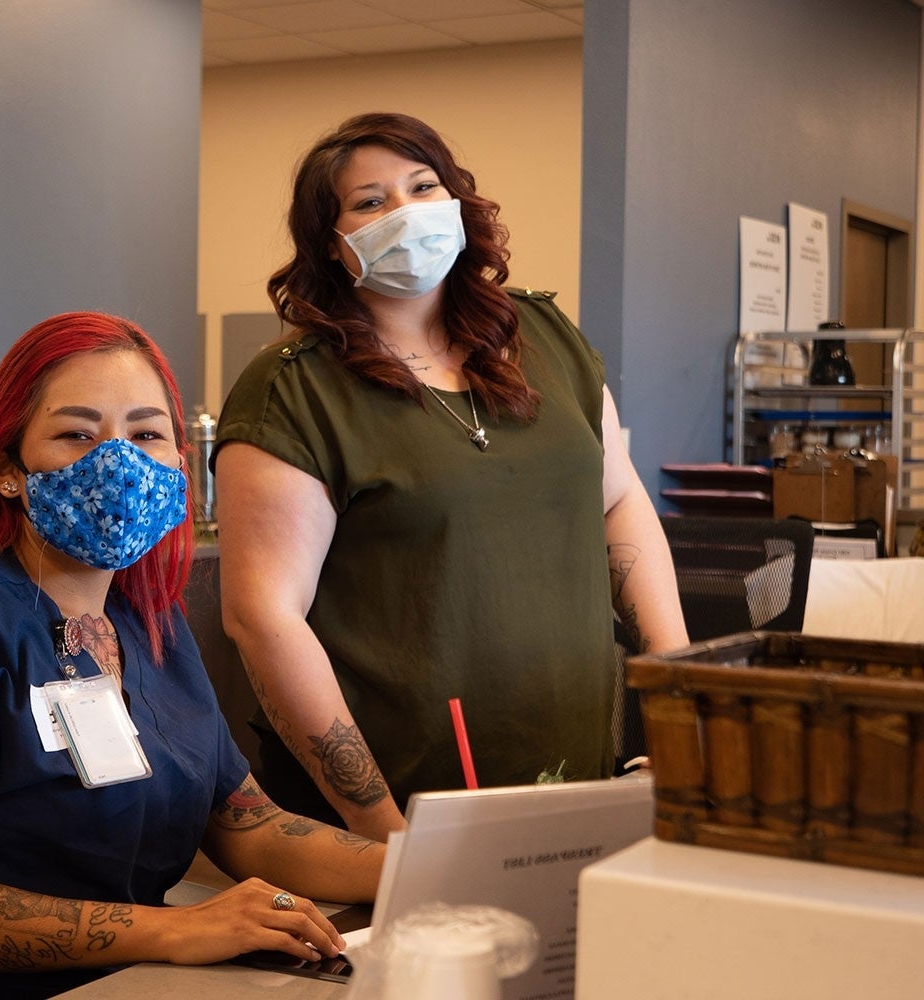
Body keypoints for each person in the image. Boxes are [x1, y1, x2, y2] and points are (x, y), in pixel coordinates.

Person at [0, 311, 384, 1000]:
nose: (119, 462)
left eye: (146, 433)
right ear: (8, 471)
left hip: (143, 977)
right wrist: (173, 932)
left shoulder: (148, 617)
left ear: (179, 463)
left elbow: (248, 823)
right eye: (77, 434)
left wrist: (423, 863)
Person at [212, 112, 688, 842]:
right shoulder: (296, 391)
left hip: (577, 772)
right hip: (401, 808)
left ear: (458, 200)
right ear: (332, 245)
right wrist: (381, 829)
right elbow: (261, 617)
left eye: (422, 185)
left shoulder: (545, 339)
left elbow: (618, 501)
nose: (404, 211)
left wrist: (676, 691)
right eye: (369, 202)